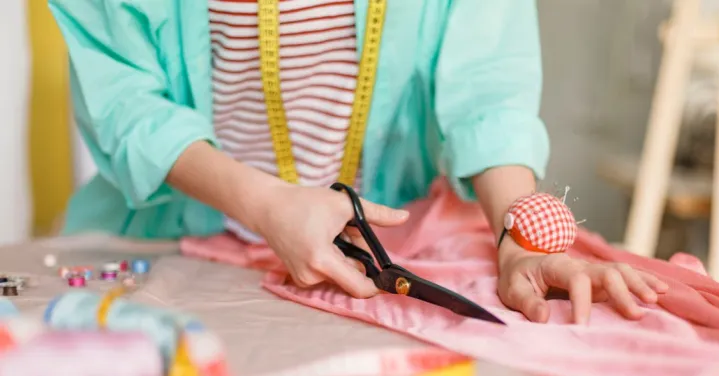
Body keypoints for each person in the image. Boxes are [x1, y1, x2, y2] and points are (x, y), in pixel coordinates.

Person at [49, 0, 667, 325]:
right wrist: (266, 205)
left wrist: (517, 234)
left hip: (389, 242)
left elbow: (487, 85)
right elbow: (125, 101)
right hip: (172, 240)